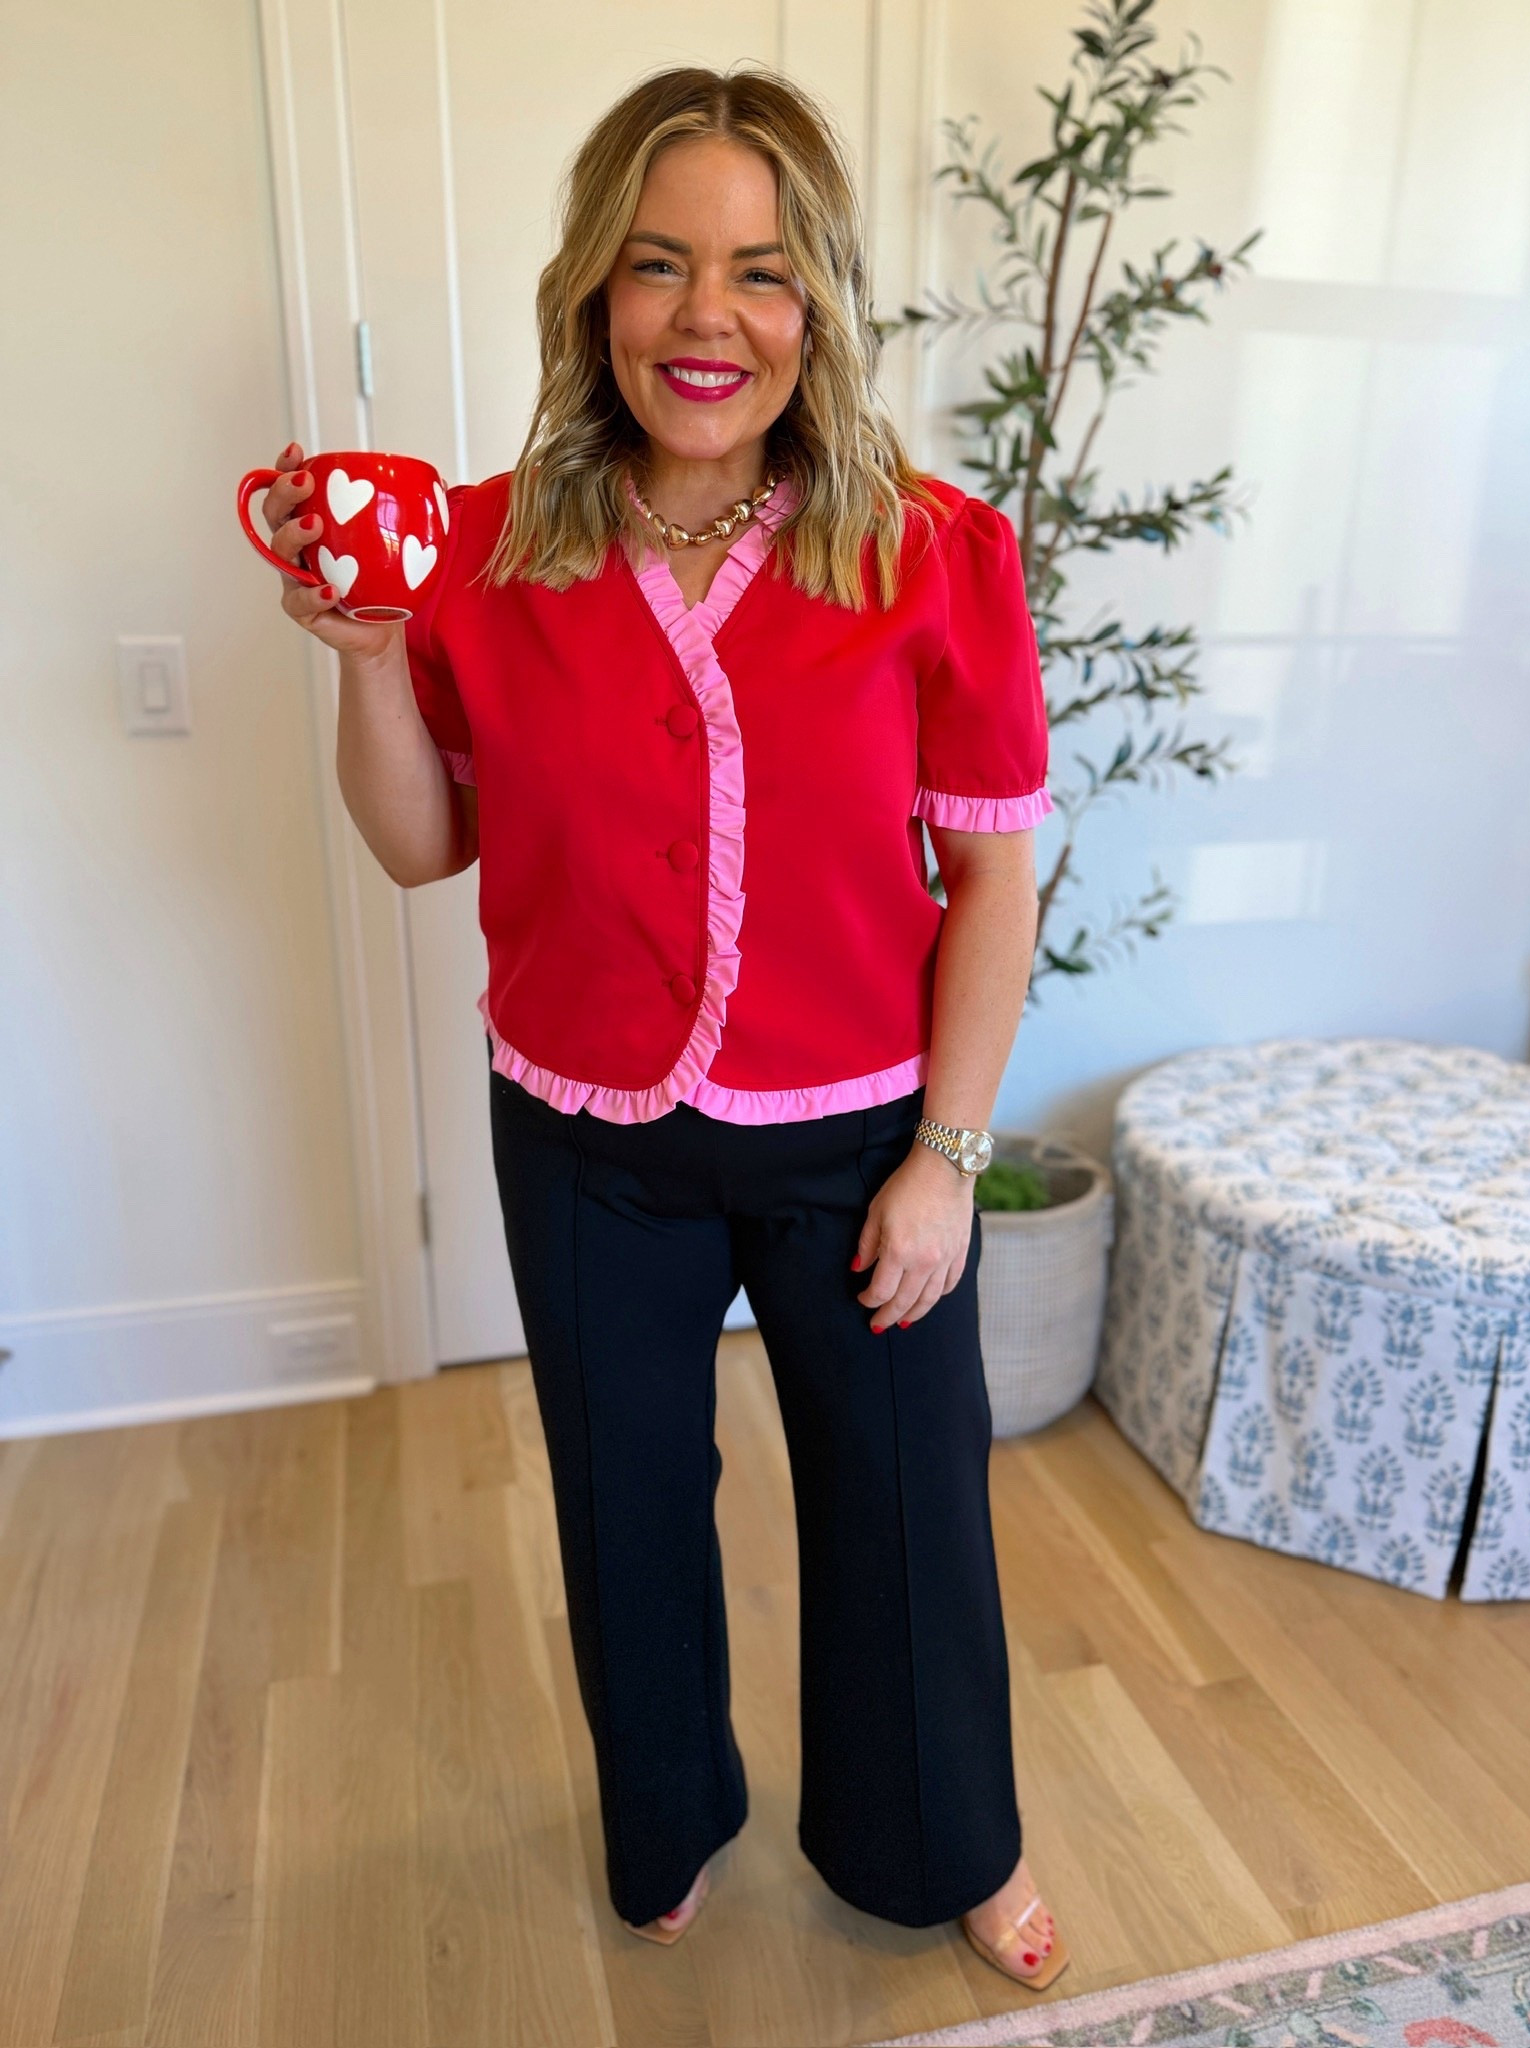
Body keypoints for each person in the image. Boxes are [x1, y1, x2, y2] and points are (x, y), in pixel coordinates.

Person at [255, 60, 1068, 1995]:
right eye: (660, 266)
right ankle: (667, 1817)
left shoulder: (933, 554)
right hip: (584, 1136)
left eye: (764, 273)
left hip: (863, 1134)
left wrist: (949, 1164)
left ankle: (942, 1840)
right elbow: (417, 848)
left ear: (822, 306)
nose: (711, 318)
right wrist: (372, 669)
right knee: (627, 1500)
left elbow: (999, 887)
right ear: (594, 297)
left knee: (904, 1511)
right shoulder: (476, 550)